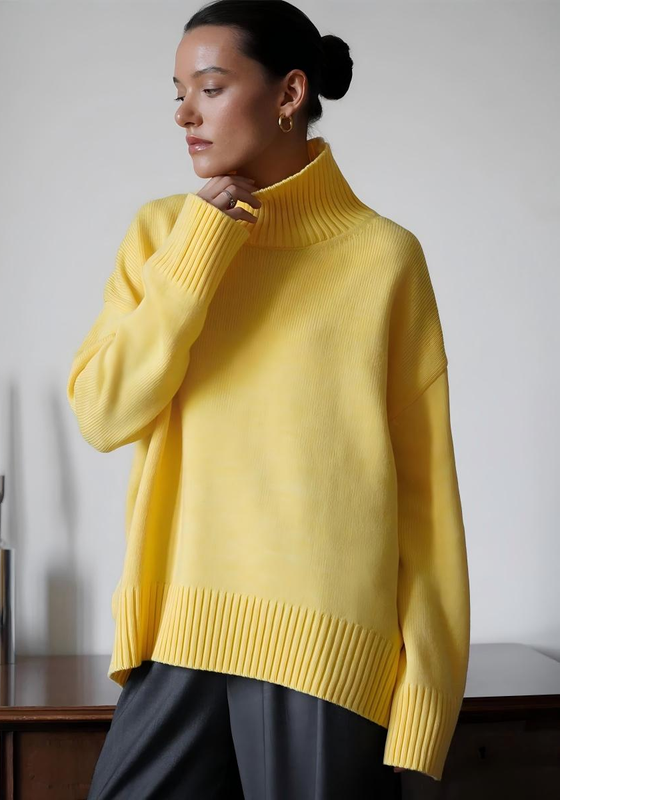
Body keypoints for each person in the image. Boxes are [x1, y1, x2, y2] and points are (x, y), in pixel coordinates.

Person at [68, 1, 471, 798]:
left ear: (289, 93)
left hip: (325, 652)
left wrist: (426, 705)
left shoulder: (384, 259)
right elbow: (103, 414)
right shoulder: (163, 236)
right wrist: (197, 254)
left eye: (210, 88)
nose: (184, 114)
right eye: (178, 92)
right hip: (178, 631)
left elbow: (426, 506)